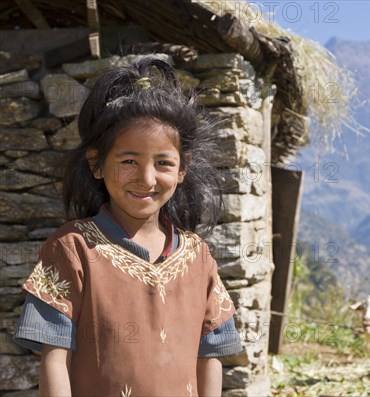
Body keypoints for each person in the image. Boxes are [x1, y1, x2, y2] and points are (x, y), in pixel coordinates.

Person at [13, 57, 243, 396]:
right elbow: (54, 359)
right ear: (97, 163)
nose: (146, 179)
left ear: (182, 169)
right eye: (128, 161)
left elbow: (210, 355)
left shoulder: (199, 257)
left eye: (163, 163)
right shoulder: (72, 249)